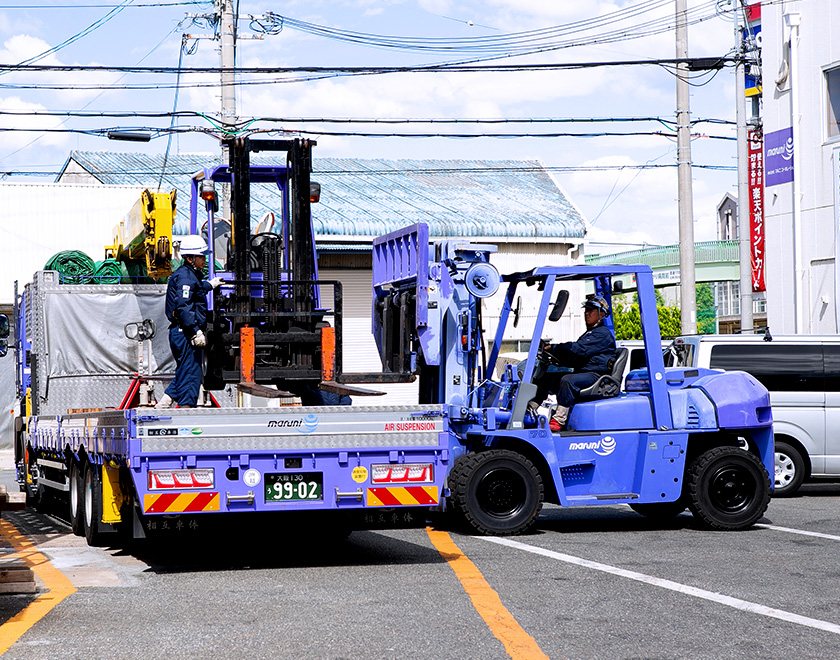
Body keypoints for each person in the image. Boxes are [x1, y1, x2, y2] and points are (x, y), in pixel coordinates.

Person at [155, 235, 223, 408]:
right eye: (201, 256)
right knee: (191, 373)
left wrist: (210, 285)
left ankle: (167, 400)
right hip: (185, 332)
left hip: (182, 331)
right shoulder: (185, 277)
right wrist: (194, 331)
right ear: (190, 258)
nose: (204, 260)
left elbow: (196, 290)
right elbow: (184, 306)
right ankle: (186, 409)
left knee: (188, 369)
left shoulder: (190, 276)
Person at [535, 295, 617, 431]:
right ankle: (530, 410)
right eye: (586, 310)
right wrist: (557, 359)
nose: (587, 313)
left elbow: (578, 349)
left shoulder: (601, 334)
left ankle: (559, 419)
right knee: (546, 379)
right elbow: (575, 356)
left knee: (567, 380)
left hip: (596, 375)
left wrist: (554, 348)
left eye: (591, 310)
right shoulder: (590, 334)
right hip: (584, 372)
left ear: (601, 314)